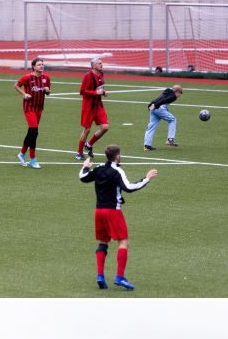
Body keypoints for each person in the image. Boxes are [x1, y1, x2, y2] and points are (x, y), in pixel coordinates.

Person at [78, 144, 158, 290]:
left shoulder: (99, 168)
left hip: (98, 211)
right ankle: (120, 276)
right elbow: (129, 187)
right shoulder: (117, 171)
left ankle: (100, 275)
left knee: (103, 242)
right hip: (113, 211)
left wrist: (85, 166)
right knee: (123, 242)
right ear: (117, 156)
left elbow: (83, 178)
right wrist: (146, 179)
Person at [14, 58, 51, 169]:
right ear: (34, 67)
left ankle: (21, 154)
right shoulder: (27, 77)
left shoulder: (46, 78)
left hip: (39, 108)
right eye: (39, 64)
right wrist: (24, 94)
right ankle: (32, 159)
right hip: (29, 107)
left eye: (42, 64)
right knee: (34, 131)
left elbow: (48, 92)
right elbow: (16, 85)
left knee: (31, 131)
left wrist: (47, 90)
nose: (41, 66)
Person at [76, 57, 109, 161]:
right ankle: (79, 153)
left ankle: (89, 144)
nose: (101, 65)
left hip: (98, 106)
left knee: (105, 127)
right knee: (87, 130)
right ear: (94, 66)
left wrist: (103, 92)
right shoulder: (88, 76)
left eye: (101, 63)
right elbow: (82, 91)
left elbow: (99, 88)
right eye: (99, 63)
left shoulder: (101, 74)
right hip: (88, 107)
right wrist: (95, 93)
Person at [144, 84, 183, 150]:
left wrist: (151, 105)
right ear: (177, 91)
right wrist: (156, 105)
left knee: (151, 126)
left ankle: (147, 145)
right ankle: (170, 139)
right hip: (158, 108)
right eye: (180, 93)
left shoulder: (167, 91)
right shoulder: (173, 96)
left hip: (153, 107)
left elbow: (160, 98)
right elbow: (163, 101)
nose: (179, 96)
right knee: (172, 120)